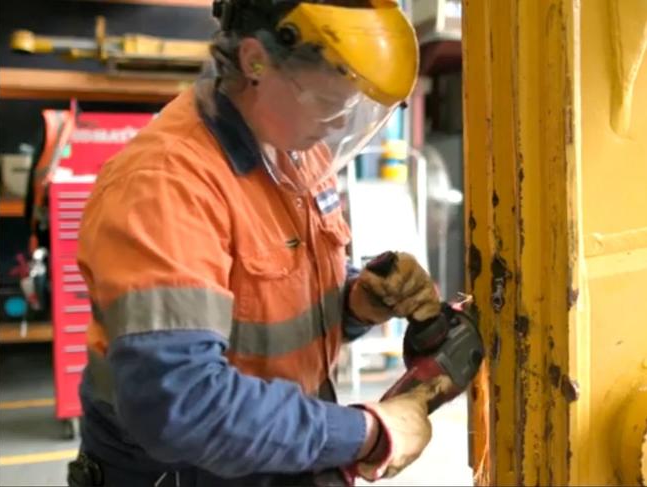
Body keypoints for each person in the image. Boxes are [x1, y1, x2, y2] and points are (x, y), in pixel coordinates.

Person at [68, 1, 443, 485]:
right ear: (254, 61)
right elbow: (182, 406)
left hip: (277, 458)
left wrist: (355, 303)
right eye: (331, 104)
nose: (337, 125)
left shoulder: (296, 154)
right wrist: (369, 431)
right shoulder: (165, 184)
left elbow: (265, 309)